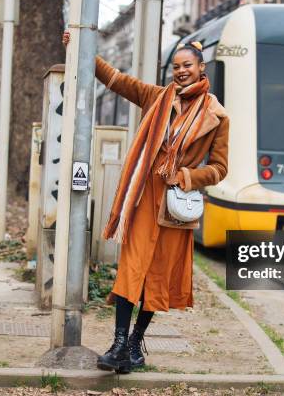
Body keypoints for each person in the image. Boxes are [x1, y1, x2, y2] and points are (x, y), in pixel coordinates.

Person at [63, 31, 229, 373]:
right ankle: (120, 345)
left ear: (201, 69)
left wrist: (185, 175)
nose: (181, 71)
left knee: (156, 278)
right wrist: (79, 49)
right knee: (131, 270)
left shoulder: (217, 116)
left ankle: (134, 345)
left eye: (187, 66)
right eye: (177, 67)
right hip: (142, 199)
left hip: (174, 205)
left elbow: (219, 169)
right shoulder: (158, 98)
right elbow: (116, 80)